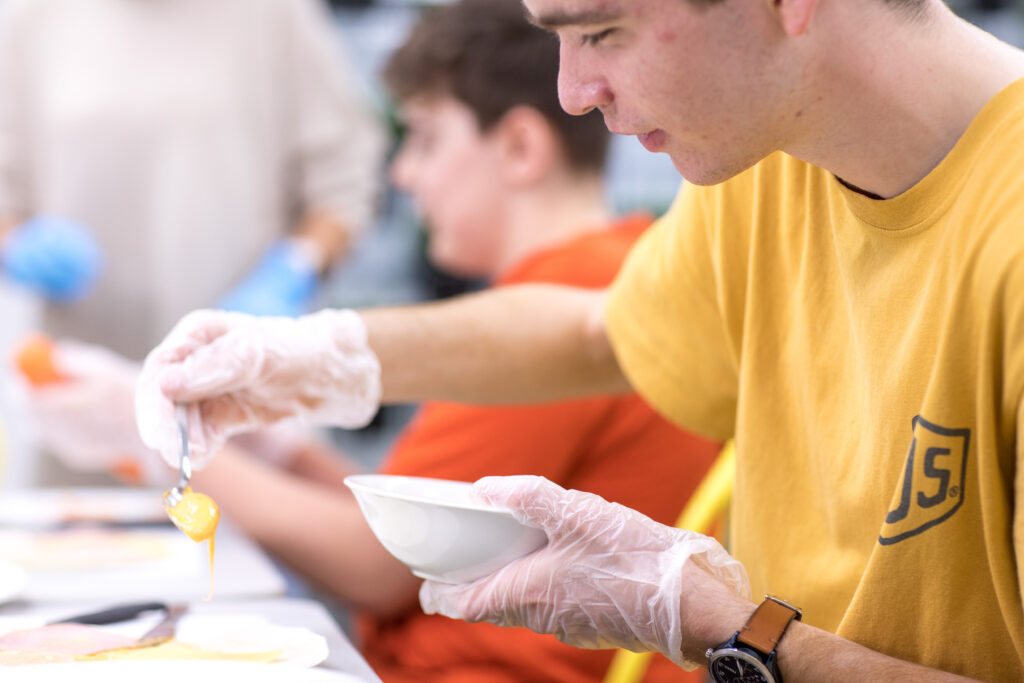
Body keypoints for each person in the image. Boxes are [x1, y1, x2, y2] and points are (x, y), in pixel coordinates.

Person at [136, 0, 1024, 680]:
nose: (570, 91)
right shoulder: (772, 154)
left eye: (601, 31)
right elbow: (601, 330)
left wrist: (722, 624)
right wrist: (314, 356)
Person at [27, 1, 722, 679]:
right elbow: (420, 522)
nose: (402, 175)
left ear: (519, 146)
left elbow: (378, 566)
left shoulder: (567, 292)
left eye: (423, 139)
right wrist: (286, 450)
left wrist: (151, 436)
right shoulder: (599, 270)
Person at [0, 0, 385, 362]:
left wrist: (296, 267)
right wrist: (16, 242)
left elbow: (344, 177)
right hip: (81, 373)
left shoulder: (275, 13)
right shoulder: (31, 17)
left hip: (247, 368)